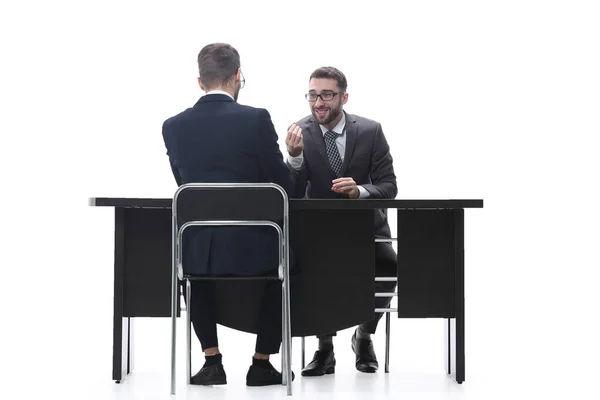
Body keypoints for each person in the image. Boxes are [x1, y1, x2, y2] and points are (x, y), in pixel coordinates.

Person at [162, 42, 295, 386]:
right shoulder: (256, 118)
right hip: (256, 246)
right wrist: (296, 160)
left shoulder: (172, 126)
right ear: (238, 76)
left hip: (199, 249)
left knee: (195, 273)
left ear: (199, 81)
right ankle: (262, 363)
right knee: (287, 261)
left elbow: (186, 185)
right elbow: (282, 185)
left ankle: (211, 361)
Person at [285, 66, 398, 376]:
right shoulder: (300, 132)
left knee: (389, 267)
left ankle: (363, 336)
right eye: (312, 94)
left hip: (366, 230)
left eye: (327, 95)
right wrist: (293, 157)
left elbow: (389, 186)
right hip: (319, 232)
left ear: (343, 97)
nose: (318, 102)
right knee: (311, 272)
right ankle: (324, 349)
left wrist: (360, 191)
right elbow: (291, 194)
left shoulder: (370, 131)